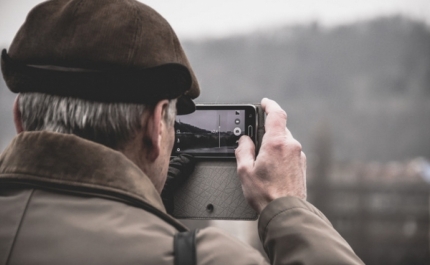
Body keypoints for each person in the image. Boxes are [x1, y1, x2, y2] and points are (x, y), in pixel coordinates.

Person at [0, 0, 363, 264]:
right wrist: (288, 206)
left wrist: (146, 202)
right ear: (155, 127)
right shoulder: (205, 259)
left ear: (19, 118)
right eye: (173, 121)